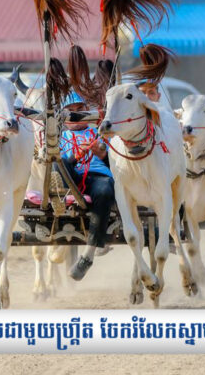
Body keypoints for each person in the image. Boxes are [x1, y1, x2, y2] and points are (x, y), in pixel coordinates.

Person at [58, 91, 115, 281]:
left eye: (80, 109)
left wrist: (103, 155)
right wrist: (76, 157)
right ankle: (59, 194)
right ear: (64, 115)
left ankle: (87, 256)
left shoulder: (101, 134)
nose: (76, 114)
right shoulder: (59, 137)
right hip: (71, 177)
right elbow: (60, 164)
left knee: (105, 189)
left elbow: (117, 166)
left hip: (99, 177)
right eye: (71, 111)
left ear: (87, 111)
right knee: (58, 161)